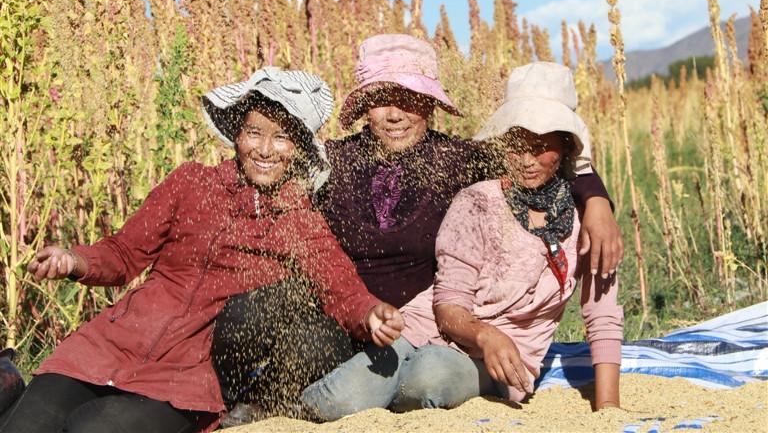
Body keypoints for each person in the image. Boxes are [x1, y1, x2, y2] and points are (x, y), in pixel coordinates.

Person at [213, 34, 623, 420]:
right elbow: (265, 162)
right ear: (364, 107)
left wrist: (596, 201)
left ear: (429, 104)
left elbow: (544, 162)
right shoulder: (332, 162)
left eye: (409, 99)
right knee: (268, 322)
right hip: (347, 325)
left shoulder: (459, 161)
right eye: (381, 100)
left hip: (419, 335)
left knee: (419, 378)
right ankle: (233, 406)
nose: (395, 114)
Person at [0, 67, 404, 433]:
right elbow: (123, 254)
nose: (265, 149)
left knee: (91, 428)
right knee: (26, 426)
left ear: (298, 148)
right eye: (255, 132)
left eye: (281, 137)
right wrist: (74, 260)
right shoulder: (191, 183)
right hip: (111, 345)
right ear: (237, 135)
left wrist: (370, 314)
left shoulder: (300, 220)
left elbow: (341, 289)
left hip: (187, 377)